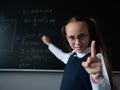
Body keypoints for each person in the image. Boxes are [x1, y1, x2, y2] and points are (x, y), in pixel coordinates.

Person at [41, 16, 116, 90]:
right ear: (66, 37)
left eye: (82, 36)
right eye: (72, 37)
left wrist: (98, 78)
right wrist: (49, 44)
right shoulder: (71, 56)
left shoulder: (96, 59)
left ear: (89, 35)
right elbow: (59, 54)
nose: (77, 43)